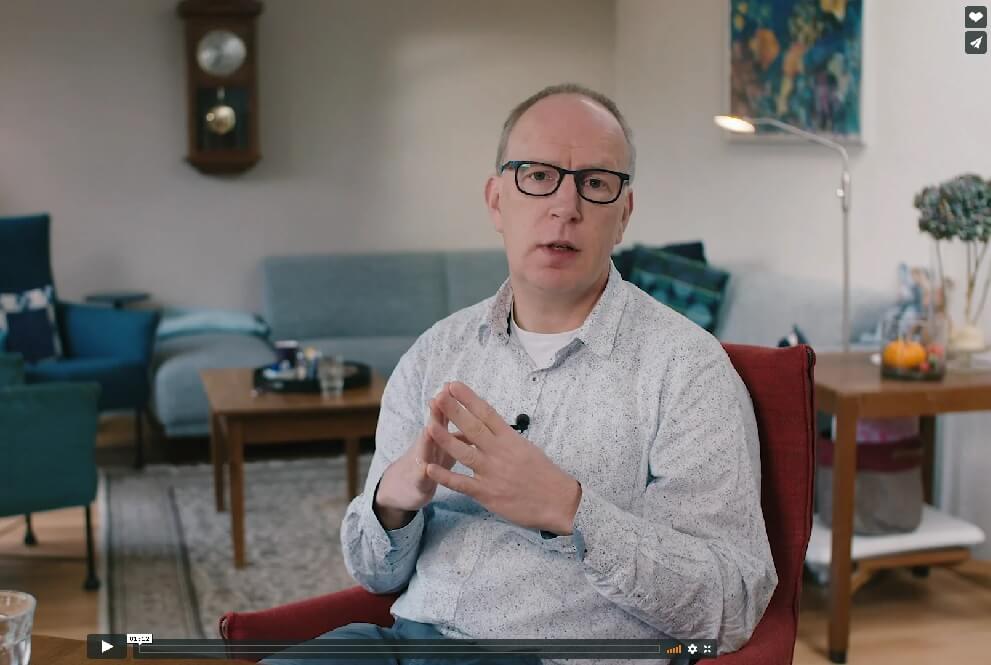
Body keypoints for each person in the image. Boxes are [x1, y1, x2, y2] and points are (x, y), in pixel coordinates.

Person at [262, 83, 776, 664]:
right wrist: (394, 499)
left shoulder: (688, 369)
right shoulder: (435, 353)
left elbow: (730, 606)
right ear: (496, 200)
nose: (565, 206)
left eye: (595, 184)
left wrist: (571, 510)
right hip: (400, 645)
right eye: (538, 175)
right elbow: (374, 574)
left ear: (624, 215)